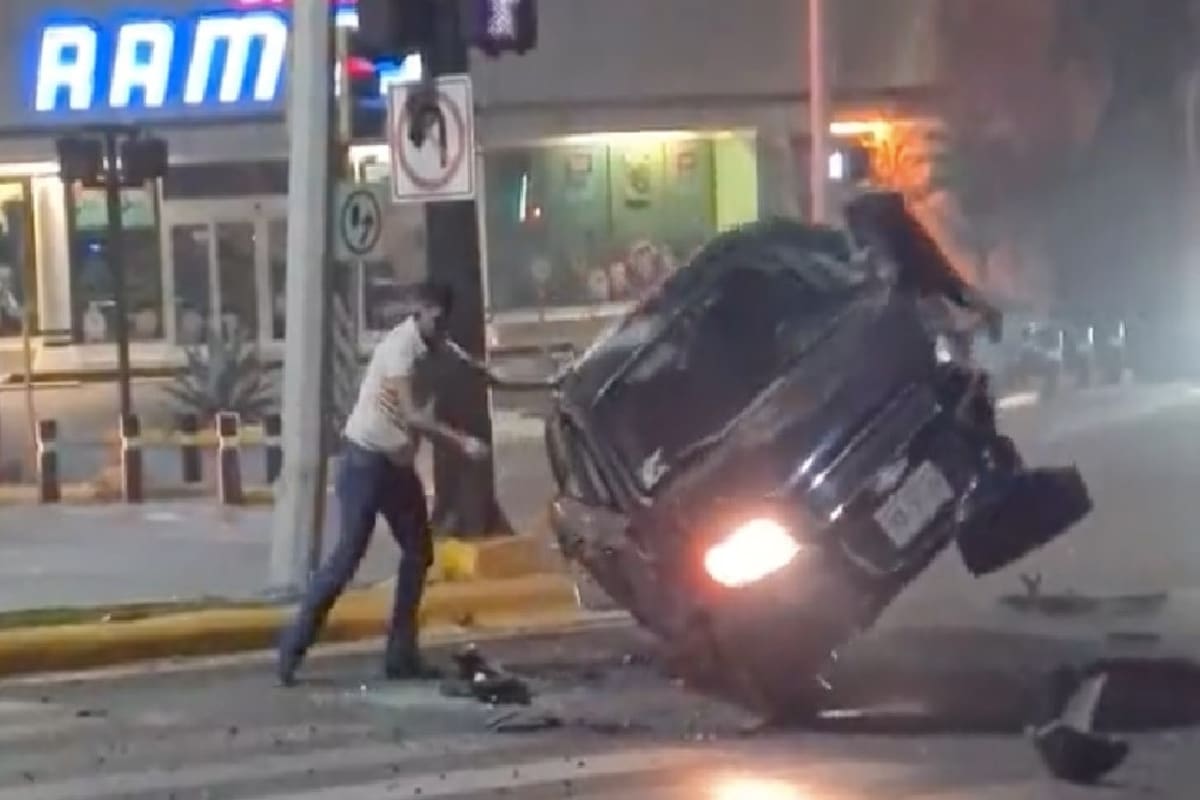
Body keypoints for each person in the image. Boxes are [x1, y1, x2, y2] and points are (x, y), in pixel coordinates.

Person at [277, 281, 547, 686]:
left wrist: (541, 385)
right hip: (365, 460)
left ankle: (400, 655)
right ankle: (292, 650)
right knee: (348, 557)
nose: (440, 326)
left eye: (444, 320)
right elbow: (414, 416)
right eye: (435, 318)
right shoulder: (399, 349)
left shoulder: (439, 346)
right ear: (420, 311)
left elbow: (479, 373)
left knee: (418, 553)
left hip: (397, 465)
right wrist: (463, 443)